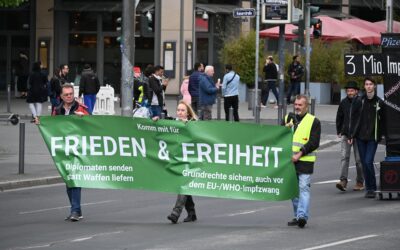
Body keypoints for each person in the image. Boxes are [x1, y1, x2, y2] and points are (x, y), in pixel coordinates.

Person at [35, 84, 89, 221]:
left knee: (75, 179)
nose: (69, 96)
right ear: (61, 96)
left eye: (71, 94)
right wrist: (41, 122)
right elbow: (52, 127)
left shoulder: (81, 108)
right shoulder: (57, 109)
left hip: (78, 150)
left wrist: (84, 118)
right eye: (66, 94)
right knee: (68, 181)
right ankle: (77, 210)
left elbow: (92, 125)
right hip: (64, 150)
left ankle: (75, 211)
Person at [283, 95, 321, 228]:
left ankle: (302, 216)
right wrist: (287, 126)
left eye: (300, 105)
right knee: (294, 190)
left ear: (307, 106)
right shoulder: (289, 118)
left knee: (304, 187)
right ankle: (297, 215)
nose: (297, 107)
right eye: (296, 104)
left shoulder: (314, 121)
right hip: (289, 160)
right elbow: (279, 135)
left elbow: (314, 142)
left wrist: (300, 153)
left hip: (305, 160)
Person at [349, 77, 385, 198]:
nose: (368, 86)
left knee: (369, 161)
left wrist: (381, 134)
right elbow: (353, 119)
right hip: (360, 137)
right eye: (366, 84)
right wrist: (351, 135)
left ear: (374, 86)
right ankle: (369, 188)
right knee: (364, 163)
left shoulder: (379, 102)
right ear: (364, 87)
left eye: (370, 84)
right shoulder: (359, 100)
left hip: (372, 138)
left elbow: (383, 120)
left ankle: (373, 187)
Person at [167, 100, 198, 224]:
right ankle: (191, 212)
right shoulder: (172, 124)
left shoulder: (194, 125)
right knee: (184, 185)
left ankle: (176, 212)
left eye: (182, 110)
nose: (179, 112)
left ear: (188, 113)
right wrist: (155, 120)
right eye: (178, 110)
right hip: (177, 160)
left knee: (183, 184)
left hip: (190, 161)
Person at [335, 81, 364, 192]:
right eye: (348, 91)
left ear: (356, 91)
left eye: (351, 90)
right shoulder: (343, 102)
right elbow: (339, 116)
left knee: (358, 160)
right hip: (346, 134)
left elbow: (362, 119)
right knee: (344, 158)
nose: (349, 92)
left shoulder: (360, 102)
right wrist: (339, 130)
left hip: (358, 135)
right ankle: (343, 181)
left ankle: (360, 182)